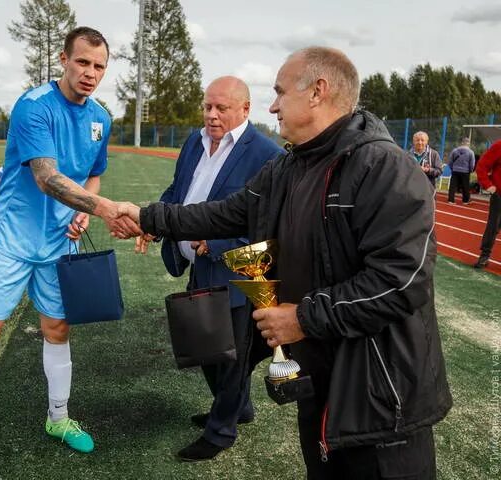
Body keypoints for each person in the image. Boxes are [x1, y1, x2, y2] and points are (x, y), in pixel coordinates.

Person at [125, 46, 452, 479]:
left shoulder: (385, 168)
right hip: (320, 380)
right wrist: (145, 216)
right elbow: (226, 212)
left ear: (317, 92)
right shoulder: (292, 165)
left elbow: (400, 281)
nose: (273, 105)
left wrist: (302, 318)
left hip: (379, 395)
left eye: (279, 92)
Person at [0, 27, 141, 480]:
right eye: (82, 62)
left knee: (58, 328)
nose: (90, 73)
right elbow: (46, 177)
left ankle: (59, 417)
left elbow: (92, 177)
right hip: (12, 240)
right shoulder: (34, 105)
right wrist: (107, 211)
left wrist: (85, 210)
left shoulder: (101, 117)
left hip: (58, 244)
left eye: (99, 66)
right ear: (63, 59)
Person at [138, 76, 282, 461]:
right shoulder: (193, 141)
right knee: (206, 350)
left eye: (222, 108)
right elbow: (177, 193)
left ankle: (221, 431)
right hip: (195, 265)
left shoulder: (266, 154)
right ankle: (239, 407)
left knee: (229, 356)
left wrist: (216, 243)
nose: (212, 115)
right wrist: (155, 225)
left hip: (237, 272)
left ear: (245, 109)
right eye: (208, 107)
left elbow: (268, 224)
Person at [473, 139, 501, 269]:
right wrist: (488, 185)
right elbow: (482, 166)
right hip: (499, 195)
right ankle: (485, 255)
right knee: (493, 227)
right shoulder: (499, 146)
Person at [447, 137, 475, 204]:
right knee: (465, 186)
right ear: (468, 143)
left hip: (455, 170)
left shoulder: (455, 150)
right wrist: (470, 170)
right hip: (465, 171)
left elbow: (450, 161)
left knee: (453, 186)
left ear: (462, 142)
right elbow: (472, 163)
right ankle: (465, 201)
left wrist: (452, 168)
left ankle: (451, 200)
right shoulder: (471, 152)